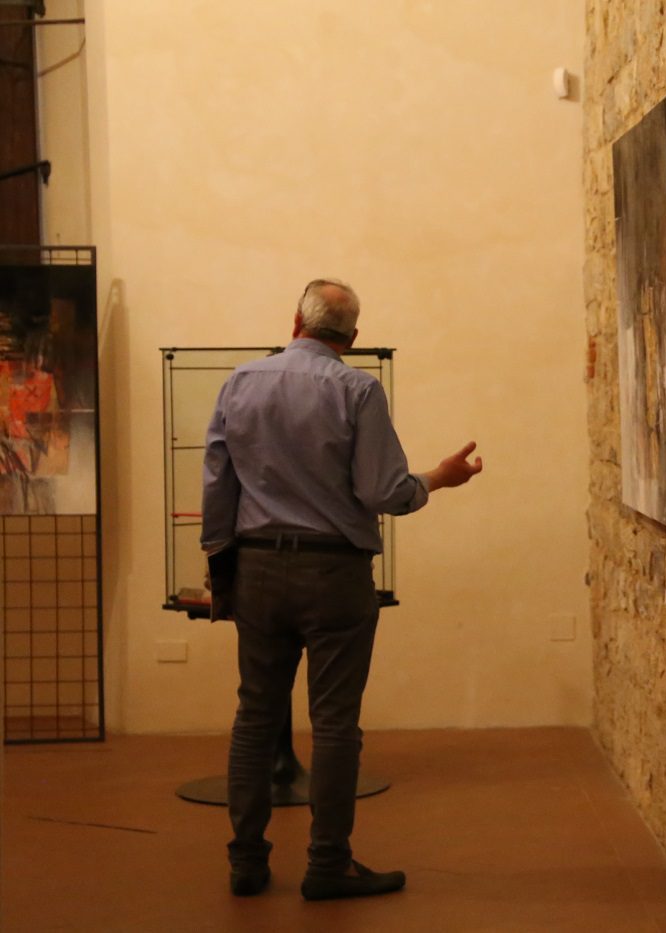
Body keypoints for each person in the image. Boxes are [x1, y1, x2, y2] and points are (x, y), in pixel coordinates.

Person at [200, 278, 483, 900]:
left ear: (295, 323)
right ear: (352, 338)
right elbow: (384, 492)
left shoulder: (240, 382)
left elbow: (218, 484)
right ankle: (327, 866)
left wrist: (222, 568)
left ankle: (246, 863)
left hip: (258, 569)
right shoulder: (357, 389)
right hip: (334, 575)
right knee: (333, 724)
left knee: (254, 717)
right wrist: (438, 478)